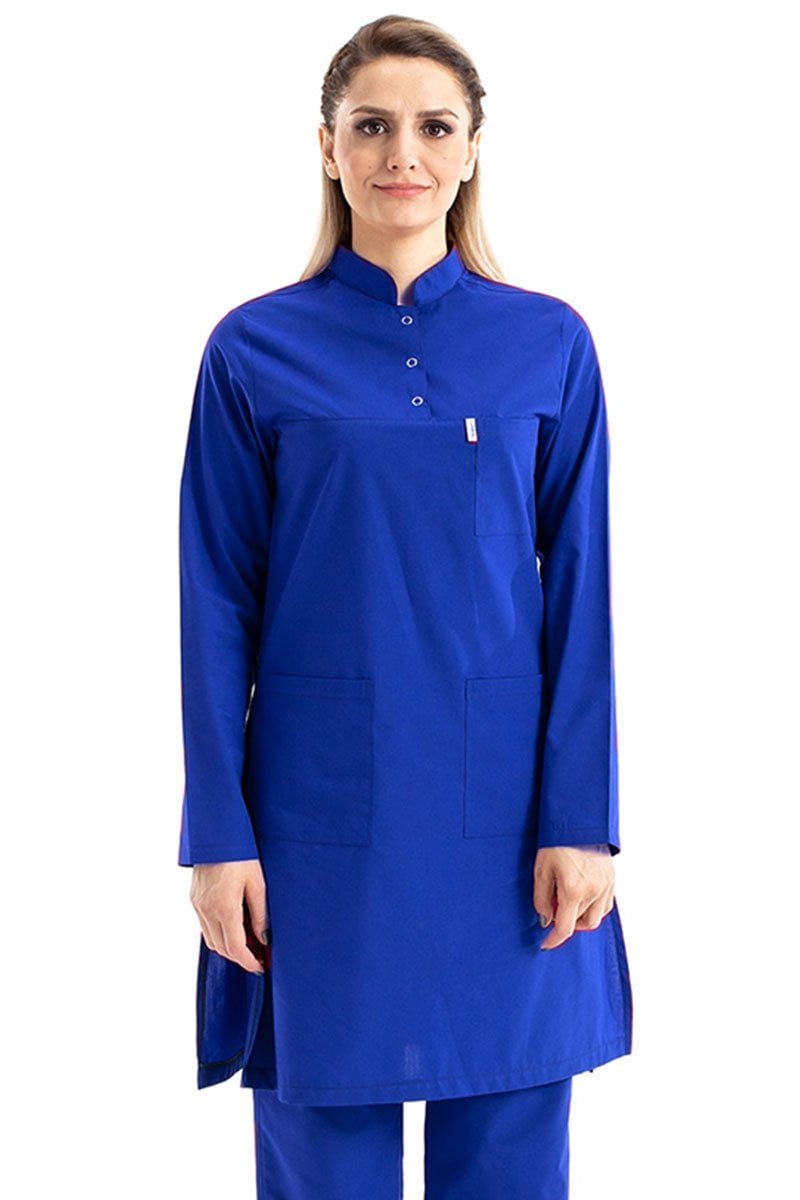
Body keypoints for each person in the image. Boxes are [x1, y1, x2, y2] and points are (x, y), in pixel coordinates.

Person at [177, 14, 633, 1199]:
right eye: (370, 126)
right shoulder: (252, 350)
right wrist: (216, 835)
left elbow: (580, 599)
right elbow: (214, 603)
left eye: (433, 127)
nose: (401, 154)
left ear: (471, 149)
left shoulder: (547, 343)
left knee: (510, 1162)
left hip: (510, 828)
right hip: (317, 824)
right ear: (326, 147)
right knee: (322, 1162)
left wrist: (582, 820)